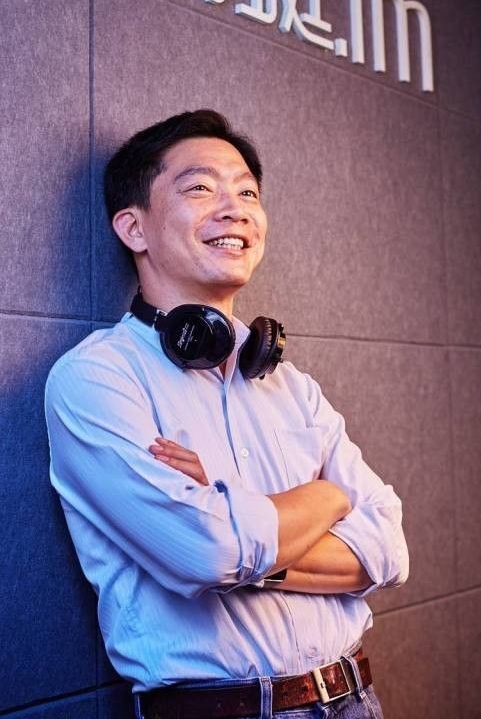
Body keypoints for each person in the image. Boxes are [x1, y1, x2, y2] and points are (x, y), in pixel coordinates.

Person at [45, 109, 409, 719]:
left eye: (247, 193)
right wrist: (328, 498)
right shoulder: (95, 380)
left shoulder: (291, 385)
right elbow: (206, 552)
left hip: (356, 699)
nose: (235, 210)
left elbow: (390, 549)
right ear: (133, 227)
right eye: (200, 188)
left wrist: (234, 510)